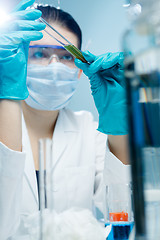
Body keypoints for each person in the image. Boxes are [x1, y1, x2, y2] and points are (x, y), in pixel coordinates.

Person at [0, 0, 130, 239]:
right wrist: (7, 91)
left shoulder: (89, 132)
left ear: (80, 68)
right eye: (39, 53)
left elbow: (124, 212)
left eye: (66, 56)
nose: (54, 66)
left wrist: (119, 127)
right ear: (16, 59)